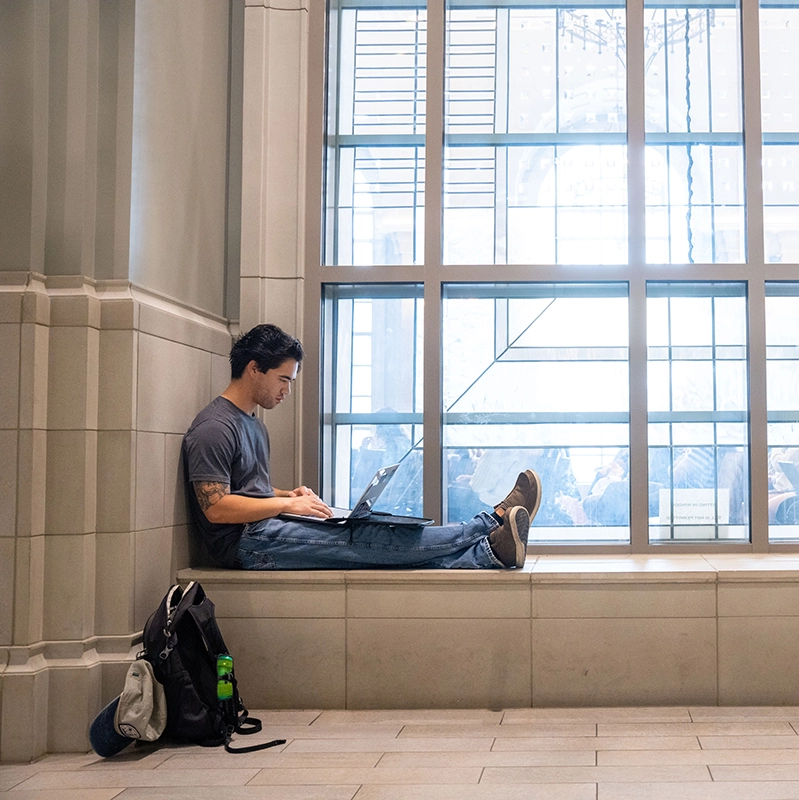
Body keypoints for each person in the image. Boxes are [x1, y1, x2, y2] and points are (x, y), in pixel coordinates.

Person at [182, 324, 542, 571]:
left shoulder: (253, 424)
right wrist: (289, 504)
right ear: (254, 368)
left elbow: (246, 489)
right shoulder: (215, 426)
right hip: (247, 544)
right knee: (368, 540)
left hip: (263, 528)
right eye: (283, 380)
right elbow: (216, 507)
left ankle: (491, 551)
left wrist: (286, 494)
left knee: (377, 529)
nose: (286, 391)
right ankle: (490, 521)